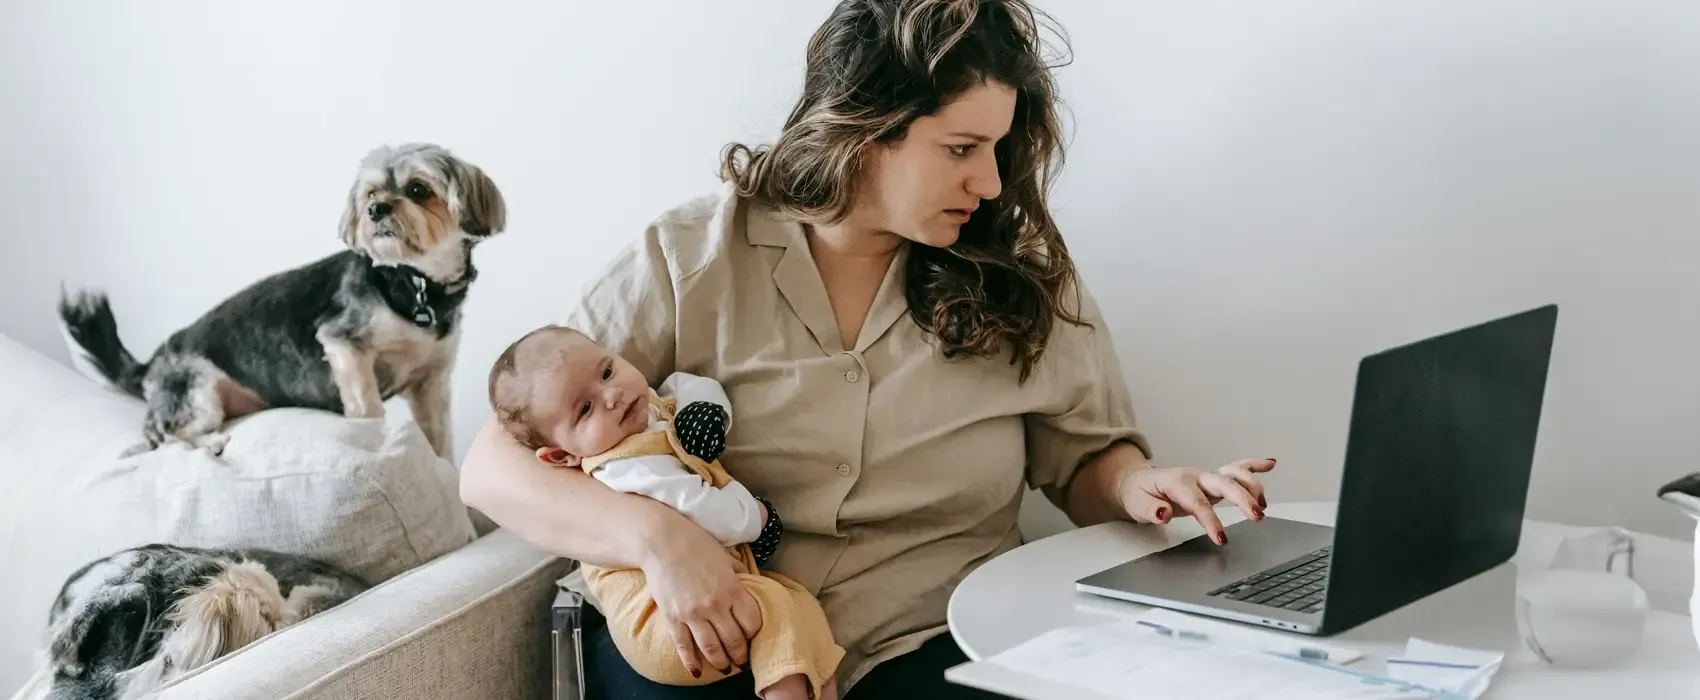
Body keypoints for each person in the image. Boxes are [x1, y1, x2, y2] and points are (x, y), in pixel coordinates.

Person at [458, 1, 1276, 697]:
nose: (990, 184)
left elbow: (1083, 462)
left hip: (934, 639)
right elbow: (495, 466)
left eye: (997, 148)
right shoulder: (690, 255)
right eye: (960, 149)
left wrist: (1143, 485)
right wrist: (657, 539)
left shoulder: (1018, 277)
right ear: (864, 128)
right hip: (709, 637)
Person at [485, 325, 843, 700]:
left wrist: (705, 410)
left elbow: (688, 384)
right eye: (585, 409)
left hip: (706, 599)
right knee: (777, 610)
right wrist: (755, 518)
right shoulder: (622, 466)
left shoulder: (648, 408)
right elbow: (700, 507)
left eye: (607, 371)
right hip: (662, 623)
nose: (612, 395)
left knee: (798, 602)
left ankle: (819, 685)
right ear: (562, 456)